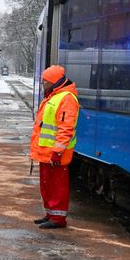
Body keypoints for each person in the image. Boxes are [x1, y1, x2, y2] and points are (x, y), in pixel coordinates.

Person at [31, 65, 79, 229]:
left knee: (57, 187)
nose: (43, 83)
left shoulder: (66, 98)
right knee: (47, 185)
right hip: (47, 153)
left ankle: (58, 219)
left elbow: (66, 128)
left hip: (56, 155)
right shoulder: (53, 96)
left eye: (45, 80)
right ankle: (50, 214)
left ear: (54, 82)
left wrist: (58, 152)